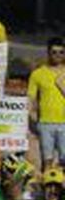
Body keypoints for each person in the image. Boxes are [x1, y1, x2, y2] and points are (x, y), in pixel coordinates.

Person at [28, 38, 65, 169]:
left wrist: (61, 84)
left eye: (61, 52)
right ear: (48, 53)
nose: (58, 55)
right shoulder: (37, 74)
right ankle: (47, 188)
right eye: (54, 52)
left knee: (64, 161)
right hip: (45, 123)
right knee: (47, 160)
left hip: (64, 123)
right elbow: (30, 98)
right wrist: (32, 117)